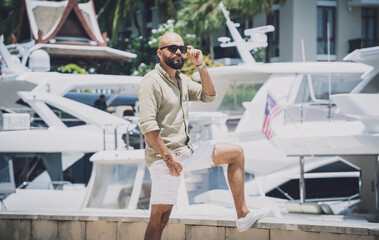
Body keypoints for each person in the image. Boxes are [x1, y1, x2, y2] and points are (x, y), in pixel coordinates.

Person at [138, 32, 270, 240]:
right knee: (160, 219)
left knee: (236, 153)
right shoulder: (151, 82)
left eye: (181, 48)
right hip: (165, 159)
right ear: (159, 53)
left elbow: (209, 96)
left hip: (186, 152)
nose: (178, 52)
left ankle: (243, 215)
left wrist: (200, 65)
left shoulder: (181, 80)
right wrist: (168, 157)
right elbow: (148, 125)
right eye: (172, 48)